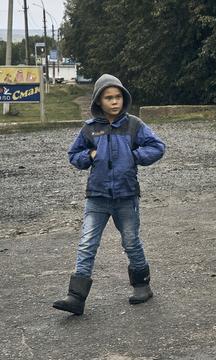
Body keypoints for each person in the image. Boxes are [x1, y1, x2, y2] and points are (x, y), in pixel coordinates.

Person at [53, 74, 166, 315]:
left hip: (126, 196)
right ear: (99, 101)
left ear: (123, 99)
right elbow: (74, 155)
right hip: (97, 197)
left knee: (131, 241)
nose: (114, 102)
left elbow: (157, 147)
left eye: (117, 97)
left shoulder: (133, 125)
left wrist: (134, 156)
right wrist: (89, 156)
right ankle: (76, 297)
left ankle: (141, 286)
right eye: (108, 97)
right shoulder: (90, 129)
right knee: (87, 244)